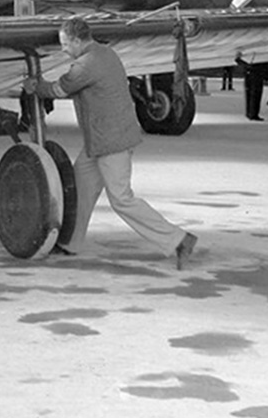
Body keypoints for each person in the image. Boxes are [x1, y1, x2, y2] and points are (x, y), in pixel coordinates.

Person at [25, 17, 198, 269]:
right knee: (81, 188)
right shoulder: (105, 53)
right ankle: (70, 243)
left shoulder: (86, 64)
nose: (63, 49)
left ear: (76, 40)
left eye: (64, 43)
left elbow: (59, 89)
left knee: (122, 199)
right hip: (99, 140)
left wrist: (35, 86)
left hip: (111, 142)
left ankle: (179, 240)